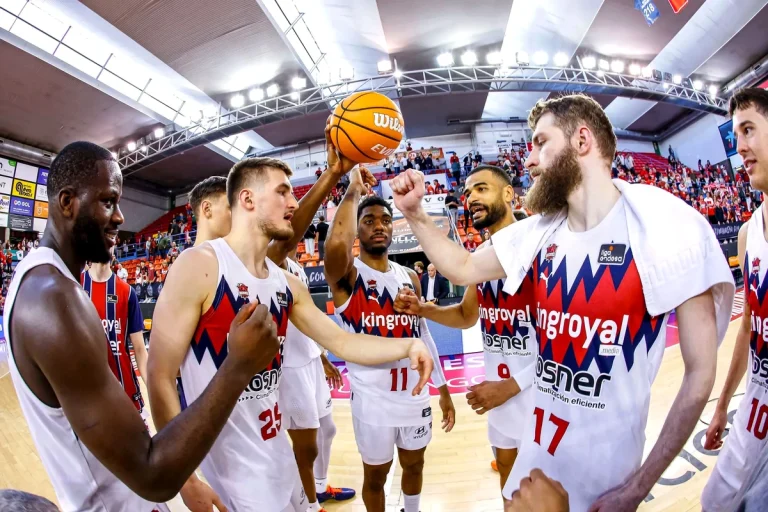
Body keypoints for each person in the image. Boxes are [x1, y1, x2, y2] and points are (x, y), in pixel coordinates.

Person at [389, 94, 733, 511]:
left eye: (540, 143)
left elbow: (700, 375)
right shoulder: (538, 231)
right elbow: (461, 267)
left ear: (582, 140)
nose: (528, 160)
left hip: (609, 479)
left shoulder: (665, 225)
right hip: (536, 460)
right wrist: (415, 214)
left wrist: (639, 486)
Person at [3, 141, 286, 510]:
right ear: (67, 202)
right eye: (108, 201)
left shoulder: (44, 283)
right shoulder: (54, 300)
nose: (120, 216)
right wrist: (238, 366)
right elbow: (153, 474)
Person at [148, 155, 434, 511]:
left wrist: (409, 344)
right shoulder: (200, 266)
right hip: (234, 476)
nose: (293, 203)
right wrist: (186, 480)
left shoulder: (286, 283)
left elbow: (342, 340)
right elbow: (159, 375)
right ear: (248, 200)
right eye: (282, 192)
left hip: (278, 457)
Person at [394, 164, 534, 493]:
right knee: (508, 484)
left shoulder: (536, 245)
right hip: (499, 396)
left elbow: (565, 341)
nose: (470, 197)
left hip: (537, 393)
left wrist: (513, 385)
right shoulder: (481, 255)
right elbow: (467, 315)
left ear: (509, 194)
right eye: (467, 192)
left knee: (548, 488)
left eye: (481, 188)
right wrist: (423, 308)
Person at [324, 166, 455, 512]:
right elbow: (335, 244)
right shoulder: (348, 276)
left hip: (413, 395)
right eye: (369, 221)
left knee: (415, 465)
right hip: (372, 401)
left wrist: (442, 389)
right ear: (357, 229)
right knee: (376, 477)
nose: (379, 225)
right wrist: (352, 191)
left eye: (385, 219)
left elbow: (422, 333)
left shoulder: (408, 275)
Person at [702, 87, 768, 511]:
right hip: (755, 399)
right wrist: (723, 404)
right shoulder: (748, 233)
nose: (740, 146)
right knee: (716, 502)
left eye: (749, 130)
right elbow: (748, 326)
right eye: (736, 134)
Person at [81, 252, 149, 421]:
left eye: (111, 237)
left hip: (125, 392)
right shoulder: (75, 285)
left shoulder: (127, 292)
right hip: (85, 396)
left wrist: (155, 392)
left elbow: (140, 350)